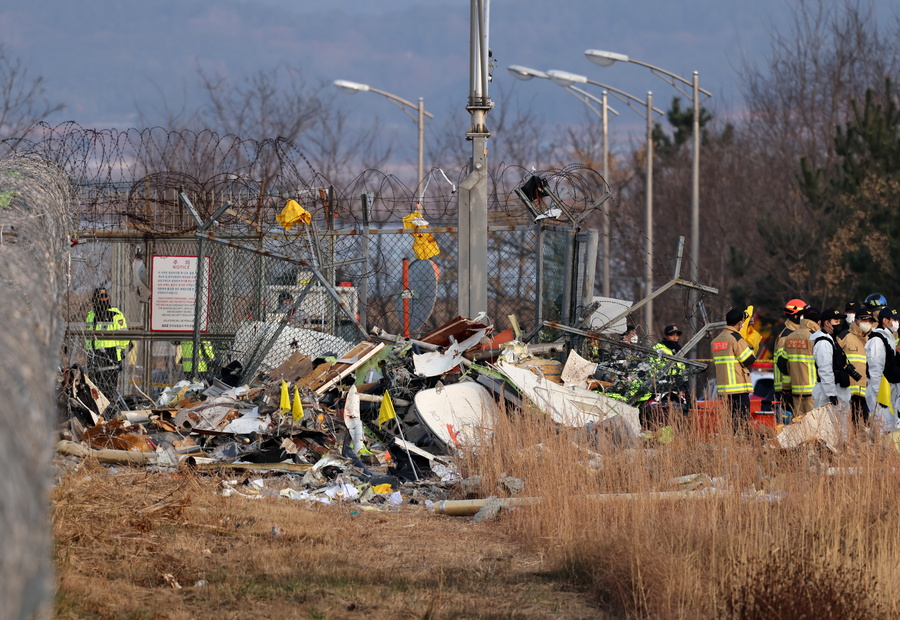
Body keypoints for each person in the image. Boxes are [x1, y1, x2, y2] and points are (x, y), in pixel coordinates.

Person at [711, 308, 757, 431]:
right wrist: (751, 348)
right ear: (740, 323)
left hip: (725, 387)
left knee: (731, 418)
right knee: (741, 418)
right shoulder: (735, 338)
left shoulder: (716, 340)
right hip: (738, 385)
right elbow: (748, 360)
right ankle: (740, 440)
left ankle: (732, 440)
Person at [85, 287, 130, 400]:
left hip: (111, 353)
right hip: (96, 354)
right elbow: (88, 337)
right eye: (101, 297)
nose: (103, 300)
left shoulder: (115, 314)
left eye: (104, 297)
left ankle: (108, 410)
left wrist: (122, 349)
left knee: (108, 388)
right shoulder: (91, 315)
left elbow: (123, 335)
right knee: (96, 388)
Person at [865, 307, 900, 431]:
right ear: (885, 320)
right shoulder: (877, 340)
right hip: (879, 393)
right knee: (883, 429)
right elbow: (875, 368)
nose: (897, 323)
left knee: (891, 427)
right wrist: (879, 396)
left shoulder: (888, 337)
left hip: (887, 392)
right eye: (894, 320)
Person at [837, 308, 873, 425]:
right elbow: (835, 358)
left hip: (865, 392)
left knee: (864, 425)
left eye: (870, 320)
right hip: (848, 391)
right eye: (864, 320)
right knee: (848, 425)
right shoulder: (845, 336)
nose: (867, 323)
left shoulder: (871, 339)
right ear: (856, 320)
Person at [810, 309, 851, 410]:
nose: (839, 324)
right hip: (828, 394)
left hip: (837, 390)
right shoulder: (824, 342)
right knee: (828, 424)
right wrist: (831, 394)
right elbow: (825, 369)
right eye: (836, 321)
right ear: (827, 323)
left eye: (839, 321)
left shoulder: (832, 340)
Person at [784, 306, 820, 416]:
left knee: (799, 424)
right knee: (813, 423)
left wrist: (786, 387)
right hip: (813, 390)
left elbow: (783, 364)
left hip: (796, 389)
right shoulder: (815, 336)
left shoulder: (789, 337)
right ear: (818, 321)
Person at [774, 299, 808, 414]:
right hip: (786, 389)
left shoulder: (794, 333)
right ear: (796, 315)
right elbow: (782, 364)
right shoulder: (786, 336)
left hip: (792, 386)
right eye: (804, 314)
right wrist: (786, 387)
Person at [651, 324, 686, 392]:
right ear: (666, 336)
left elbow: (682, 365)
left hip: (678, 380)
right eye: (672, 335)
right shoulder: (659, 347)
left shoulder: (678, 349)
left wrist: (683, 379)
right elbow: (653, 364)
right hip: (664, 379)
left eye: (677, 335)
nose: (675, 338)